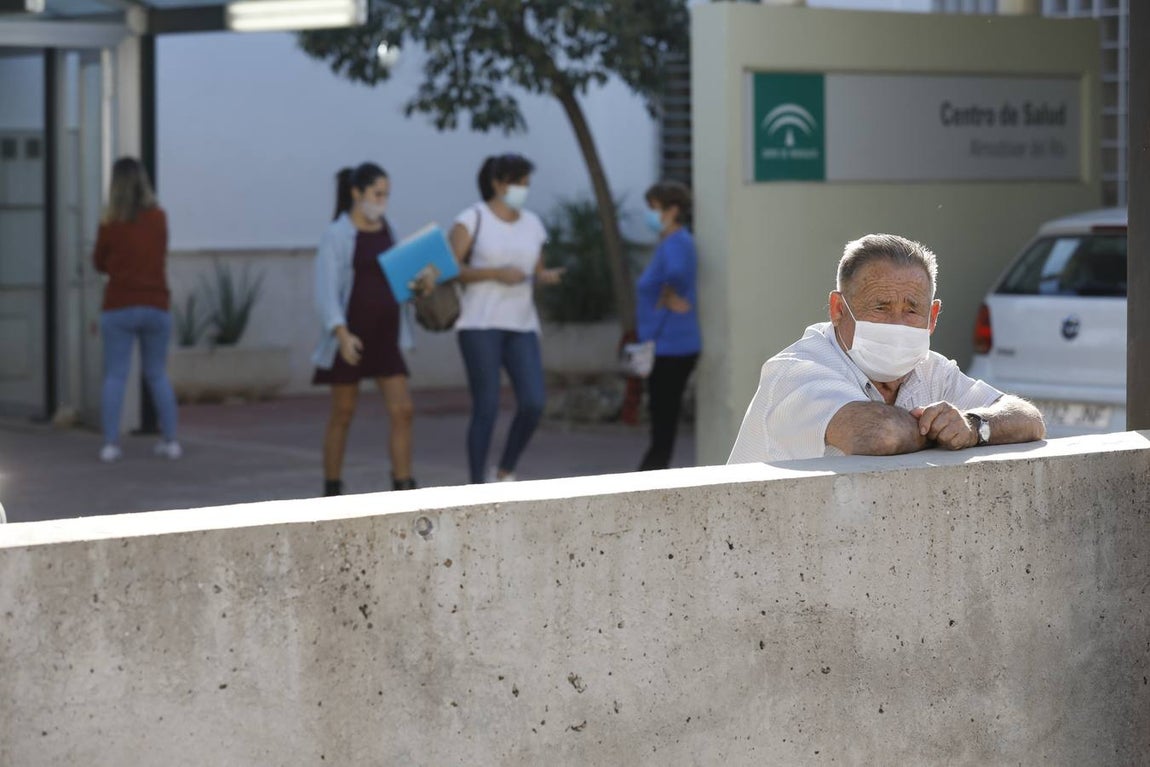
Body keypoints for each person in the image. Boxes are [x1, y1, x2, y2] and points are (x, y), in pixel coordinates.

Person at [728, 234, 1046, 463]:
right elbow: (875, 435)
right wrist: (945, 432)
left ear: (932, 317)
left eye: (911, 310)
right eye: (880, 308)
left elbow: (1028, 419)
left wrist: (974, 426)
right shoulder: (796, 370)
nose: (896, 324)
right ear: (838, 309)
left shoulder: (931, 370)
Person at [448, 154, 563, 484]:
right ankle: (475, 484)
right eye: (517, 183)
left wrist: (546, 277)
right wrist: (495, 273)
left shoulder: (533, 224)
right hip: (479, 324)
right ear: (498, 183)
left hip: (522, 323)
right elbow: (450, 269)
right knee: (486, 405)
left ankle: (506, 469)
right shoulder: (471, 219)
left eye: (526, 184)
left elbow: (536, 271)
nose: (523, 190)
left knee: (534, 401)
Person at [312, 163, 417, 496]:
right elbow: (326, 289)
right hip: (352, 337)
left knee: (403, 409)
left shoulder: (390, 229)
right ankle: (331, 488)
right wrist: (340, 333)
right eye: (377, 194)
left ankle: (403, 483)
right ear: (357, 193)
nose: (382, 201)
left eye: (386, 195)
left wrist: (420, 285)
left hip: (387, 334)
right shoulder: (337, 234)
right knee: (343, 411)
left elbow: (401, 279)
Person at [92, 157, 181, 463]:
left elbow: (98, 262)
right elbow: (161, 253)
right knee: (157, 374)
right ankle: (171, 441)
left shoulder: (110, 222)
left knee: (116, 375)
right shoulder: (158, 217)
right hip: (155, 303)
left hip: (118, 304)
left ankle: (111, 444)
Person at [635, 180, 701, 471]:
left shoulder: (677, 242)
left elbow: (676, 274)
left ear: (672, 210)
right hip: (666, 344)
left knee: (663, 419)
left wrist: (667, 296)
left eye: (654, 209)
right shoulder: (673, 242)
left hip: (673, 345)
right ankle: (653, 473)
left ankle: (650, 477)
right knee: (661, 417)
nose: (650, 215)